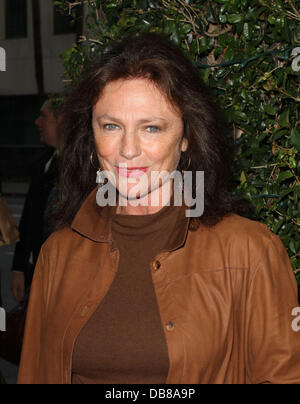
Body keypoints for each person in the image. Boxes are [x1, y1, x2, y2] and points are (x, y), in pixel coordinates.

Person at [18, 33, 300, 384]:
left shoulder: (249, 251)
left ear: (186, 138)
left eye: (151, 127)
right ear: (90, 138)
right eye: (111, 126)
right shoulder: (57, 254)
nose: (129, 150)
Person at [11, 97, 63, 302]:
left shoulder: (79, 169)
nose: (36, 122)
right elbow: (27, 220)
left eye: (44, 116)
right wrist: (19, 267)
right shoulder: (42, 162)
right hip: (36, 274)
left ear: (63, 122)